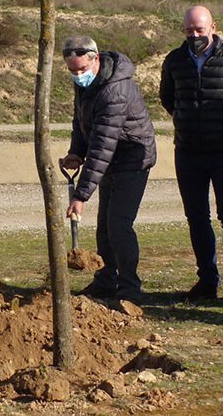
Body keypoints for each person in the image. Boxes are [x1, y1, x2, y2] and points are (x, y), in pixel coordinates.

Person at [159, 6, 223, 304]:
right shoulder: (174, 61)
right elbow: (168, 98)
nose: (194, 35)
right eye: (189, 30)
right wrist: (188, 122)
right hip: (189, 152)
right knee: (196, 218)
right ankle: (207, 280)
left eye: (200, 30)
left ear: (213, 27)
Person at [60, 36, 156, 305]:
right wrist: (76, 151)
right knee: (104, 226)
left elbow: (103, 144)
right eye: (72, 71)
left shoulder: (115, 90)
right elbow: (81, 120)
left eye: (82, 70)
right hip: (111, 160)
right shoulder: (89, 85)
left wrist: (80, 196)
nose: (78, 76)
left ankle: (129, 289)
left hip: (132, 160)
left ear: (96, 60)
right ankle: (106, 280)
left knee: (119, 225)